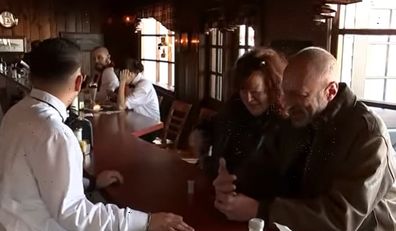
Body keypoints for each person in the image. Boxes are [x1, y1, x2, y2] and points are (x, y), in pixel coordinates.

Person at [0, 38, 193, 231]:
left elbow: (42, 176)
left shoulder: (14, 113)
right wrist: (146, 221)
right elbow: (75, 215)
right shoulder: (56, 133)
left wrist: (90, 182)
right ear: (78, 82)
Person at [213, 47, 396, 230]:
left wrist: (261, 210)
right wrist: (232, 183)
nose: (285, 103)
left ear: (330, 91)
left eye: (298, 95)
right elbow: (266, 171)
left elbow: (341, 218)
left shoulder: (368, 136)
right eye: (285, 92)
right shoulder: (299, 121)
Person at [189, 48, 287, 198]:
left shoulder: (285, 125)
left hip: (252, 208)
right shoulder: (235, 107)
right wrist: (199, 134)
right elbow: (211, 125)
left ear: (273, 88)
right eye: (243, 90)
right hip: (219, 194)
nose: (248, 99)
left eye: (256, 93)